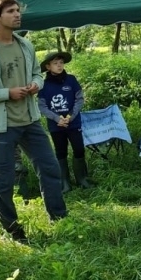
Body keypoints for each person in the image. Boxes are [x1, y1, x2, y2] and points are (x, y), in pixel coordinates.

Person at [0, 0, 67, 244]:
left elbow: (36, 74)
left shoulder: (26, 45)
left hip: (30, 120)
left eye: (18, 10)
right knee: (5, 179)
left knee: (50, 167)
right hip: (1, 125)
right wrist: (6, 94)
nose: (17, 15)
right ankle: (11, 230)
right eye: (11, 11)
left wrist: (35, 84)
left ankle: (61, 219)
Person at [37, 51, 94, 193]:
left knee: (79, 149)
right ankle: (65, 183)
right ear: (48, 67)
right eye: (55, 63)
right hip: (56, 126)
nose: (59, 65)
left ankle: (82, 179)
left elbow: (79, 99)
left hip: (73, 123)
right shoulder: (44, 85)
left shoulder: (71, 80)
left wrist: (70, 116)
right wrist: (57, 118)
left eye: (61, 62)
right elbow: (42, 106)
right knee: (60, 152)